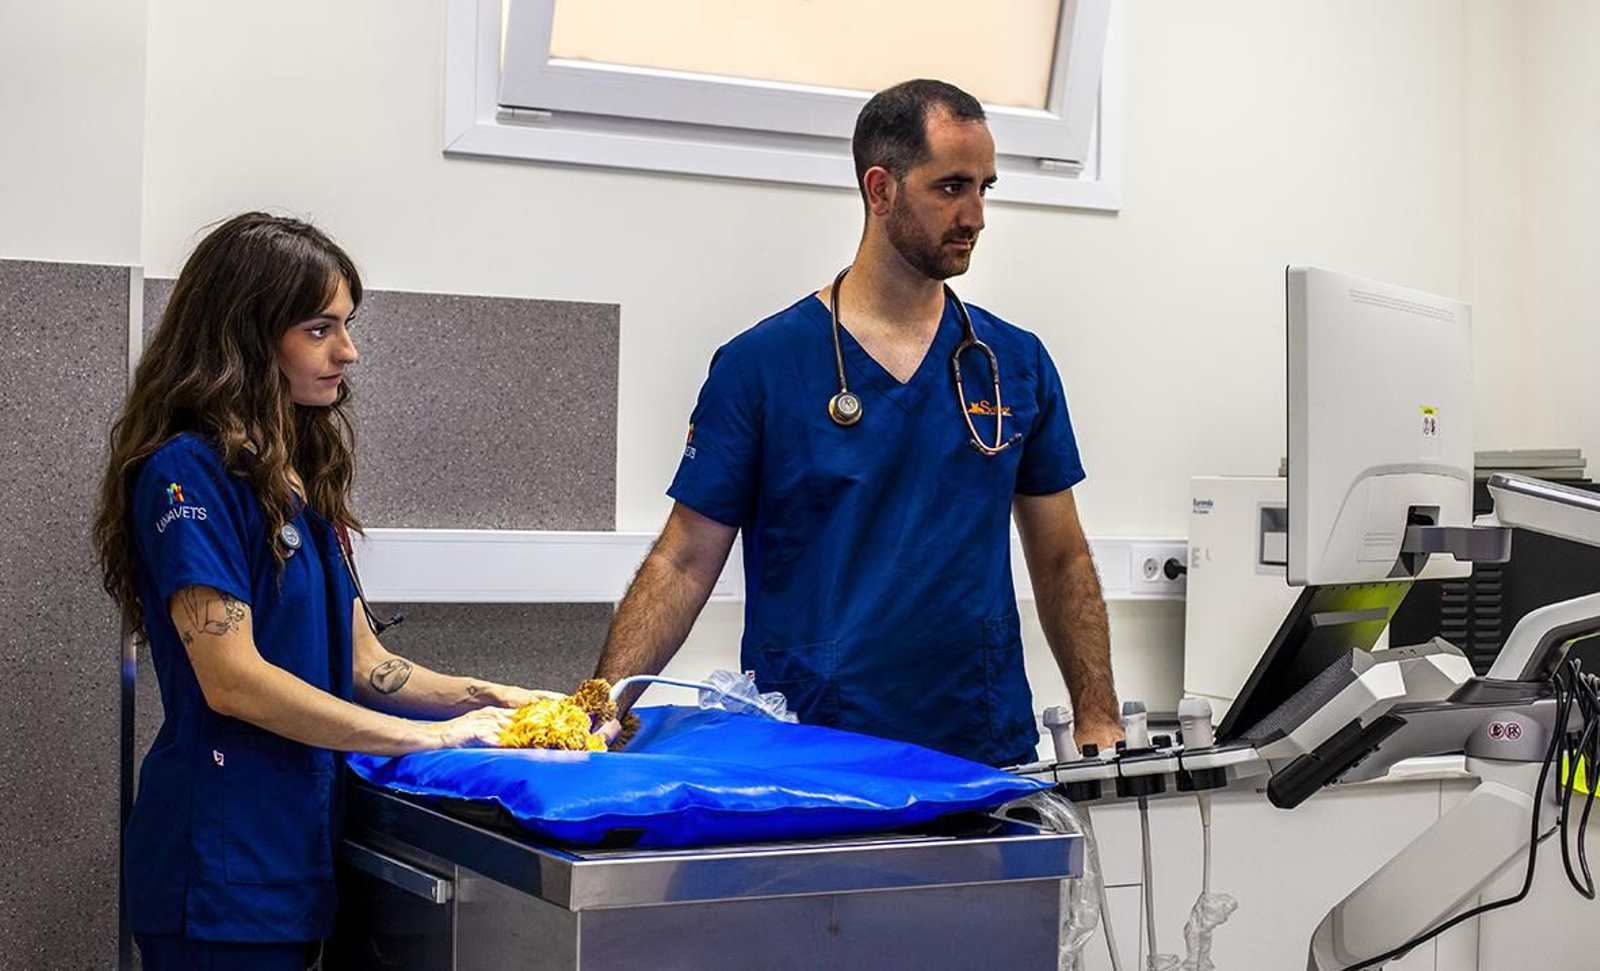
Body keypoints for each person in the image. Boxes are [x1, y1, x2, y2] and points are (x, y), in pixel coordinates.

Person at [595, 80, 1123, 766]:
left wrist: (1098, 713)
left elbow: (1062, 558)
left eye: (985, 188)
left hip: (978, 748)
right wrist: (596, 708)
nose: (976, 215)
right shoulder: (762, 365)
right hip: (814, 751)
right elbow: (684, 558)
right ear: (881, 189)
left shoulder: (1011, 364)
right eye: (951, 187)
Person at [93, 212, 551, 969]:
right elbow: (232, 679)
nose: (349, 349)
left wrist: (496, 700)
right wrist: (424, 737)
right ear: (246, 334)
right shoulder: (187, 474)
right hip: (220, 870)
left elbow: (367, 662)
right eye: (319, 328)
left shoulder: (295, 478)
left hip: (292, 858)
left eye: (346, 323)